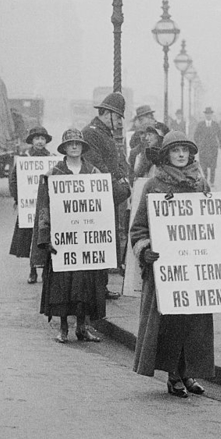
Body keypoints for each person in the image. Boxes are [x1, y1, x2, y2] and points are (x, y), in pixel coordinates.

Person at [130, 131, 214, 397]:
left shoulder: (201, 184)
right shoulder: (154, 186)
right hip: (166, 270)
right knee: (170, 323)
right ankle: (173, 375)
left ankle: (187, 372)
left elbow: (212, 223)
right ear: (166, 154)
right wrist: (146, 251)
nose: (180, 155)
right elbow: (138, 229)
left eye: (185, 150)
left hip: (194, 266)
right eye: (175, 150)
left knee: (193, 323)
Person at [32, 129, 126, 343]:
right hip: (63, 242)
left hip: (86, 242)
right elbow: (44, 207)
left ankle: (82, 327)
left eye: (78, 144)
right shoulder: (54, 174)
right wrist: (45, 237)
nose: (74, 147)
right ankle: (64, 328)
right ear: (64, 148)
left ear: (83, 147)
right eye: (70, 144)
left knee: (85, 286)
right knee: (63, 286)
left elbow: (103, 207)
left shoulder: (93, 173)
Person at [81, 92, 132, 299]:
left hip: (107, 196)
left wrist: (125, 179)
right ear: (107, 114)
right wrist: (120, 186)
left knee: (105, 242)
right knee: (96, 242)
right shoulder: (91, 133)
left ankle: (100, 287)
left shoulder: (104, 133)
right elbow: (97, 166)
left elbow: (117, 162)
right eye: (117, 117)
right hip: (97, 197)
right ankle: (93, 289)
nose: (119, 122)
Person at [9, 126, 53, 283]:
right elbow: (14, 180)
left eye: (42, 138)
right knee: (29, 237)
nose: (40, 142)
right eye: (36, 138)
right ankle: (32, 270)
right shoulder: (24, 158)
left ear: (46, 141)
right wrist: (17, 198)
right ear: (32, 141)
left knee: (45, 236)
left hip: (44, 206)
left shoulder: (51, 158)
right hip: (28, 206)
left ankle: (46, 271)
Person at [193, 107, 221, 187]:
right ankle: (205, 181)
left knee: (213, 166)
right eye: (207, 114)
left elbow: (220, 136)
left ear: (212, 115)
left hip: (213, 148)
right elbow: (195, 136)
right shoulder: (200, 124)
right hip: (203, 149)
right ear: (205, 115)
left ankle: (212, 181)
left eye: (209, 114)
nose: (208, 116)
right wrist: (199, 144)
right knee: (203, 166)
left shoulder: (215, 125)